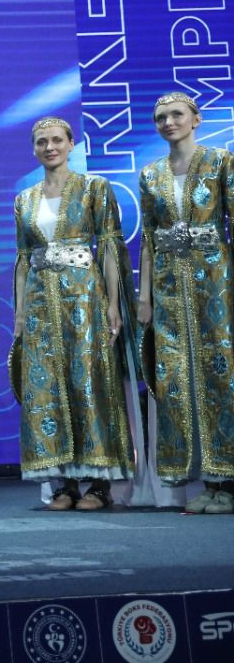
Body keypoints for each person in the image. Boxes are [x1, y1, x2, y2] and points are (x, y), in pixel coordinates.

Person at [12, 116, 135, 510]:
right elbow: (23, 259)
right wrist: (19, 314)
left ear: (70, 144)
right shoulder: (24, 198)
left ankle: (99, 484)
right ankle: (63, 484)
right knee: (46, 387)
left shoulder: (94, 188)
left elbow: (110, 247)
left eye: (56, 140)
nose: (49, 147)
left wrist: (113, 303)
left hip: (84, 299)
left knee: (89, 382)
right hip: (39, 305)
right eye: (41, 142)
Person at [138, 91, 234, 514]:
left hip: (215, 281)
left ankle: (228, 481)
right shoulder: (150, 174)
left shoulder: (220, 162)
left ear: (196, 119)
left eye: (176, 114)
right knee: (177, 377)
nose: (168, 122)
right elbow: (148, 239)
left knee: (221, 372)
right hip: (168, 286)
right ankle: (207, 480)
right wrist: (144, 296)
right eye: (160, 117)